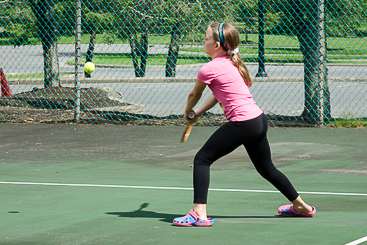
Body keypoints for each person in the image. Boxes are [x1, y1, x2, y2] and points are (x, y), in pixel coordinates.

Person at [173, 23, 316, 227]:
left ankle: (199, 214)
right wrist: (197, 112)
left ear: (216, 45)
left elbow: (193, 94)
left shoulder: (209, 68)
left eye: (205, 38)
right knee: (267, 168)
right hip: (258, 121)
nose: (202, 41)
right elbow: (217, 95)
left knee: (202, 159)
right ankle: (301, 206)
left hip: (243, 123)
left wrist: (188, 112)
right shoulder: (230, 63)